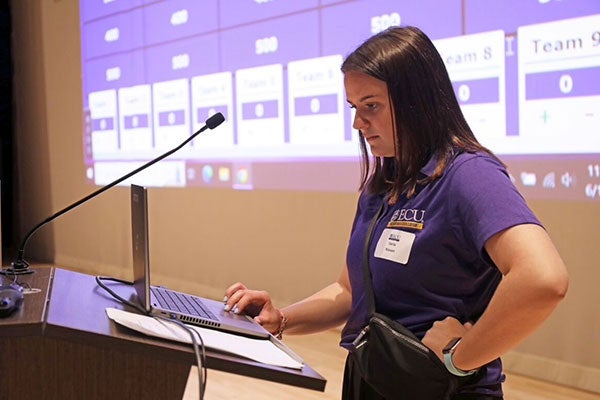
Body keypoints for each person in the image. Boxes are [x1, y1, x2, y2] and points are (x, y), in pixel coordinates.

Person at [224, 26, 569, 400]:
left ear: (417, 101)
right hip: (372, 380)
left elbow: (543, 279)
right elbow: (349, 290)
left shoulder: (469, 175)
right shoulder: (384, 181)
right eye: (354, 108)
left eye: (371, 106)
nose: (358, 123)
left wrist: (460, 358)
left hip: (442, 390)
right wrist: (282, 320)